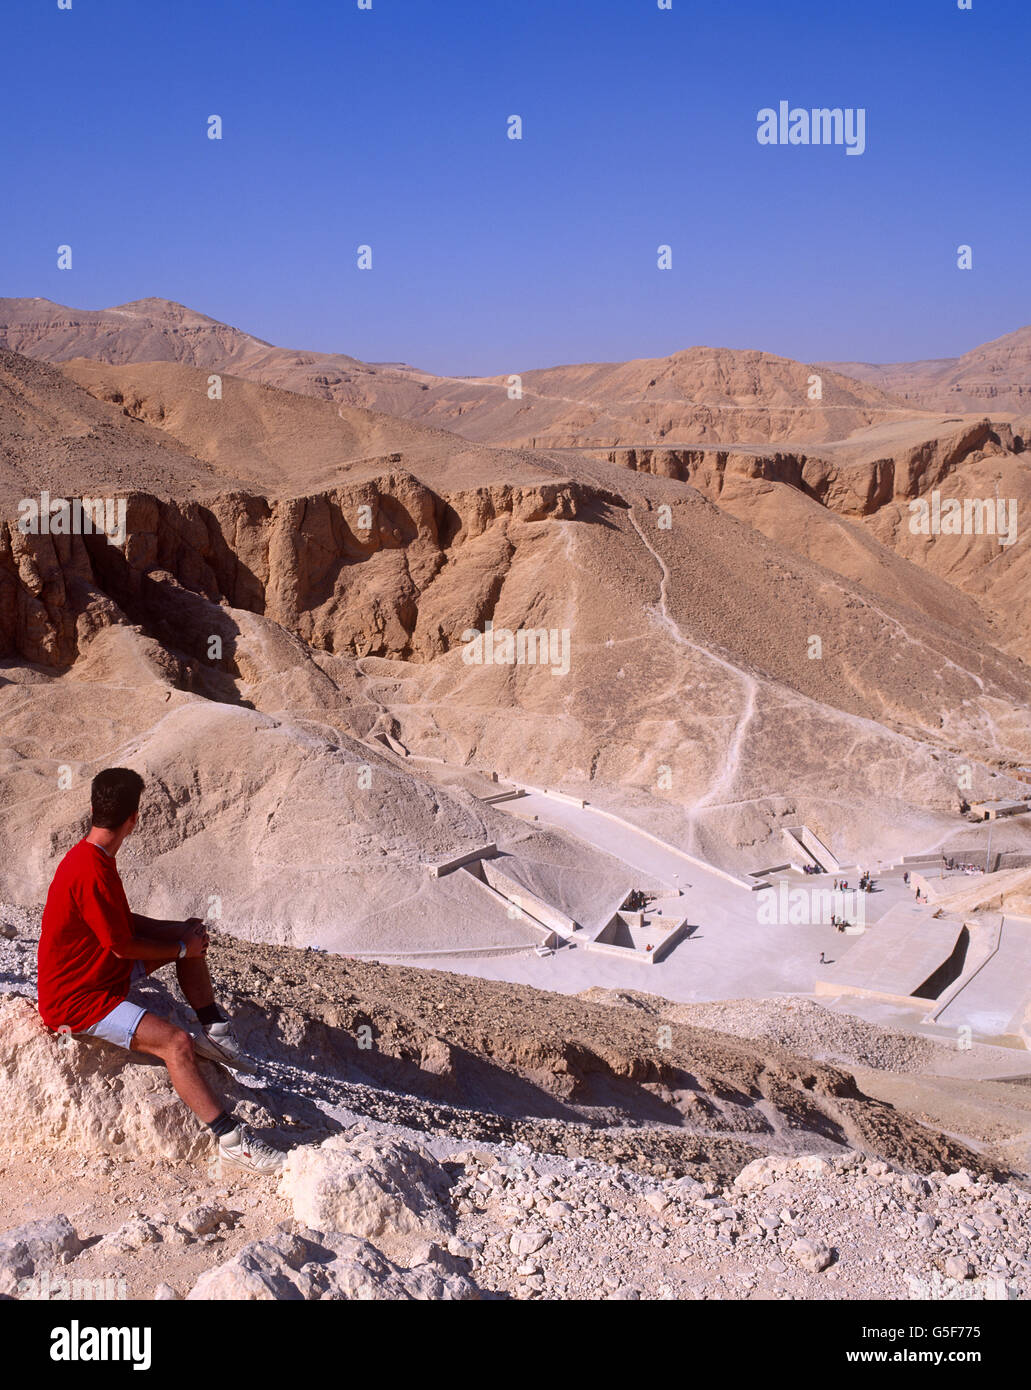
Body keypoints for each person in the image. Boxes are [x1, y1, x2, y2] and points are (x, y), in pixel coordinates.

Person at [36, 768, 286, 1174]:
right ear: (133, 819)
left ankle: (215, 1030)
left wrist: (180, 934)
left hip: (102, 973)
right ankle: (231, 1141)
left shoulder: (91, 856)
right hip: (77, 1000)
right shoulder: (90, 869)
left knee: (191, 940)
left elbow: (121, 921)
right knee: (175, 1044)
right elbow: (120, 943)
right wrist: (179, 946)